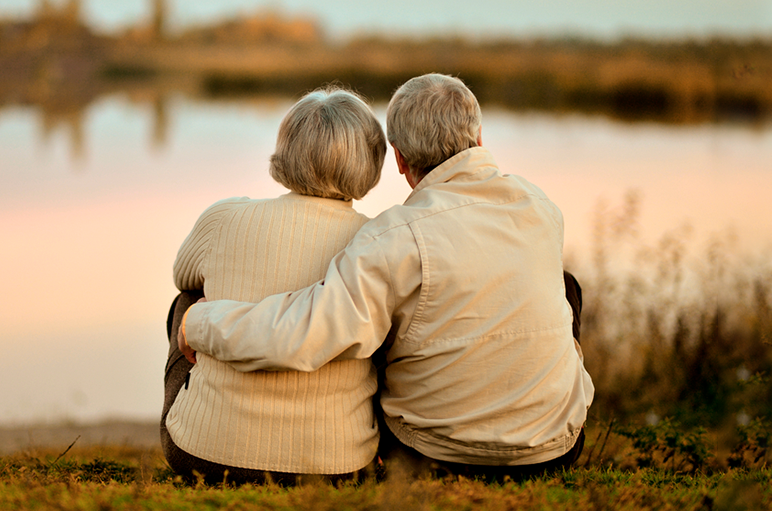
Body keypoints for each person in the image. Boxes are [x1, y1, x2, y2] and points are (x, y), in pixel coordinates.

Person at [179, 73, 593, 480]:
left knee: (378, 319)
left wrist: (198, 320)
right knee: (564, 285)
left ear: (397, 158)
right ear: (480, 137)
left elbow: (307, 332)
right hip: (555, 449)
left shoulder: (394, 237)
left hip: (434, 454)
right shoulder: (541, 207)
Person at [161, 87, 389, 484]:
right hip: (338, 464)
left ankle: (206, 414)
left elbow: (183, 275)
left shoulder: (225, 218)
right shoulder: (378, 241)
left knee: (189, 300)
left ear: (285, 150)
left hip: (204, 455)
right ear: (371, 160)